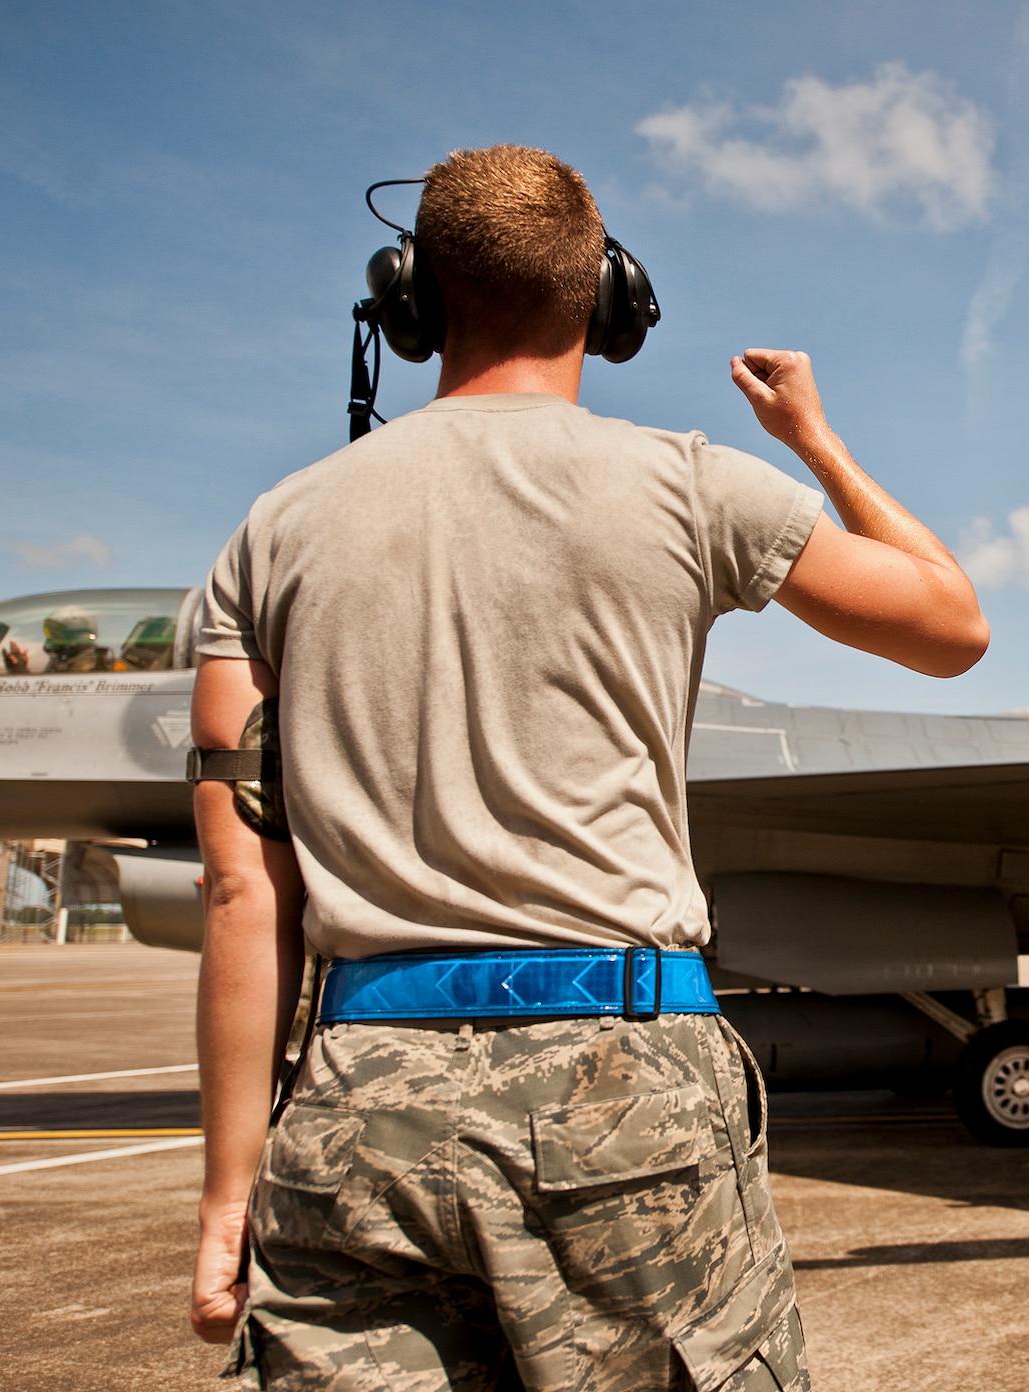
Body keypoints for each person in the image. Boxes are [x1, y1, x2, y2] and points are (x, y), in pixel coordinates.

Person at [187, 143, 987, 1392]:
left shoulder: (270, 532)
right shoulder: (691, 485)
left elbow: (243, 891)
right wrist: (813, 440)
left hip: (358, 1101)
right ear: (607, 302)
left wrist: (230, 1190)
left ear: (409, 301)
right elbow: (951, 627)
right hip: (627, 1088)